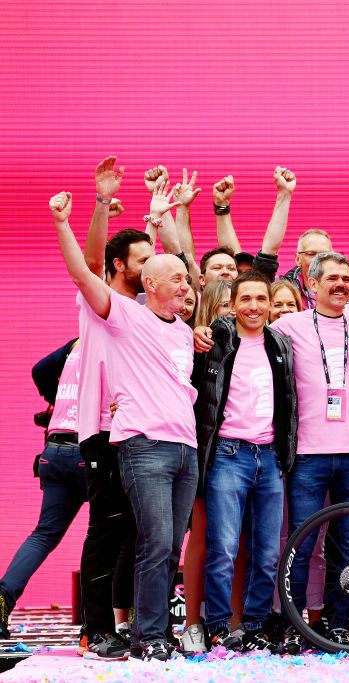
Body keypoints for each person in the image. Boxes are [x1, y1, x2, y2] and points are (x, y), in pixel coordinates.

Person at [53, 189, 199, 662]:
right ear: (138, 277)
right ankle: (112, 630)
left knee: (159, 541)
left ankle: (141, 628)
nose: (185, 284)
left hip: (184, 448)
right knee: (117, 532)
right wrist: (70, 217)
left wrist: (161, 218)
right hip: (128, 439)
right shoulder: (121, 315)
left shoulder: (181, 330)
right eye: (173, 277)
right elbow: (86, 267)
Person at [270, 252, 349, 648]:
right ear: (311, 284)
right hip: (308, 452)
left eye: (346, 278)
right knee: (301, 545)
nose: (340, 284)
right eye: (331, 278)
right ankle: (292, 625)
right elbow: (244, 340)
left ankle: (339, 623)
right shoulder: (287, 325)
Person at [192, 271, 297, 652]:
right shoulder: (216, 340)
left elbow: (290, 402)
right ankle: (218, 625)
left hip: (269, 458)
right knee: (223, 549)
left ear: (271, 305)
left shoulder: (281, 343)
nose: (254, 306)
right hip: (228, 454)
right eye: (246, 299)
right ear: (233, 303)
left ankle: (254, 626)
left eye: (261, 299)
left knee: (268, 553)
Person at [0, 340, 88, 640]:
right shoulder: (118, 336)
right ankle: (105, 621)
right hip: (90, 452)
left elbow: (39, 369)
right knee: (111, 536)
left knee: (44, 534)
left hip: (55, 450)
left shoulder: (77, 343)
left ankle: (3, 597)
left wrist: (58, 400)